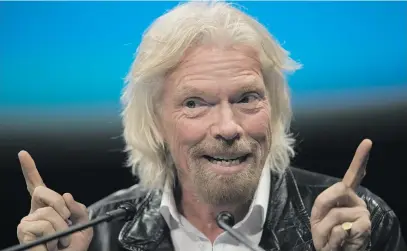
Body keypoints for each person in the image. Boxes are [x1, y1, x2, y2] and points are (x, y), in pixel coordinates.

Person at [15, 1, 405, 251]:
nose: (228, 126)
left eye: (247, 98)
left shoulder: (359, 224)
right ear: (155, 123)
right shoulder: (96, 240)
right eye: (195, 103)